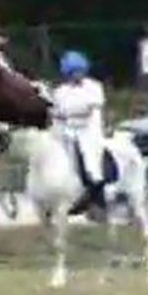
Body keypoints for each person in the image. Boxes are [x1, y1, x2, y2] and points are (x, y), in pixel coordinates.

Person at [51, 50, 109, 222]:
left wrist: (69, 113)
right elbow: (57, 112)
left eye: (80, 71)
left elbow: (91, 108)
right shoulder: (60, 91)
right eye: (73, 72)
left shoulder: (94, 87)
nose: (77, 75)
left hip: (89, 130)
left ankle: (97, 195)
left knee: (91, 161)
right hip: (67, 130)